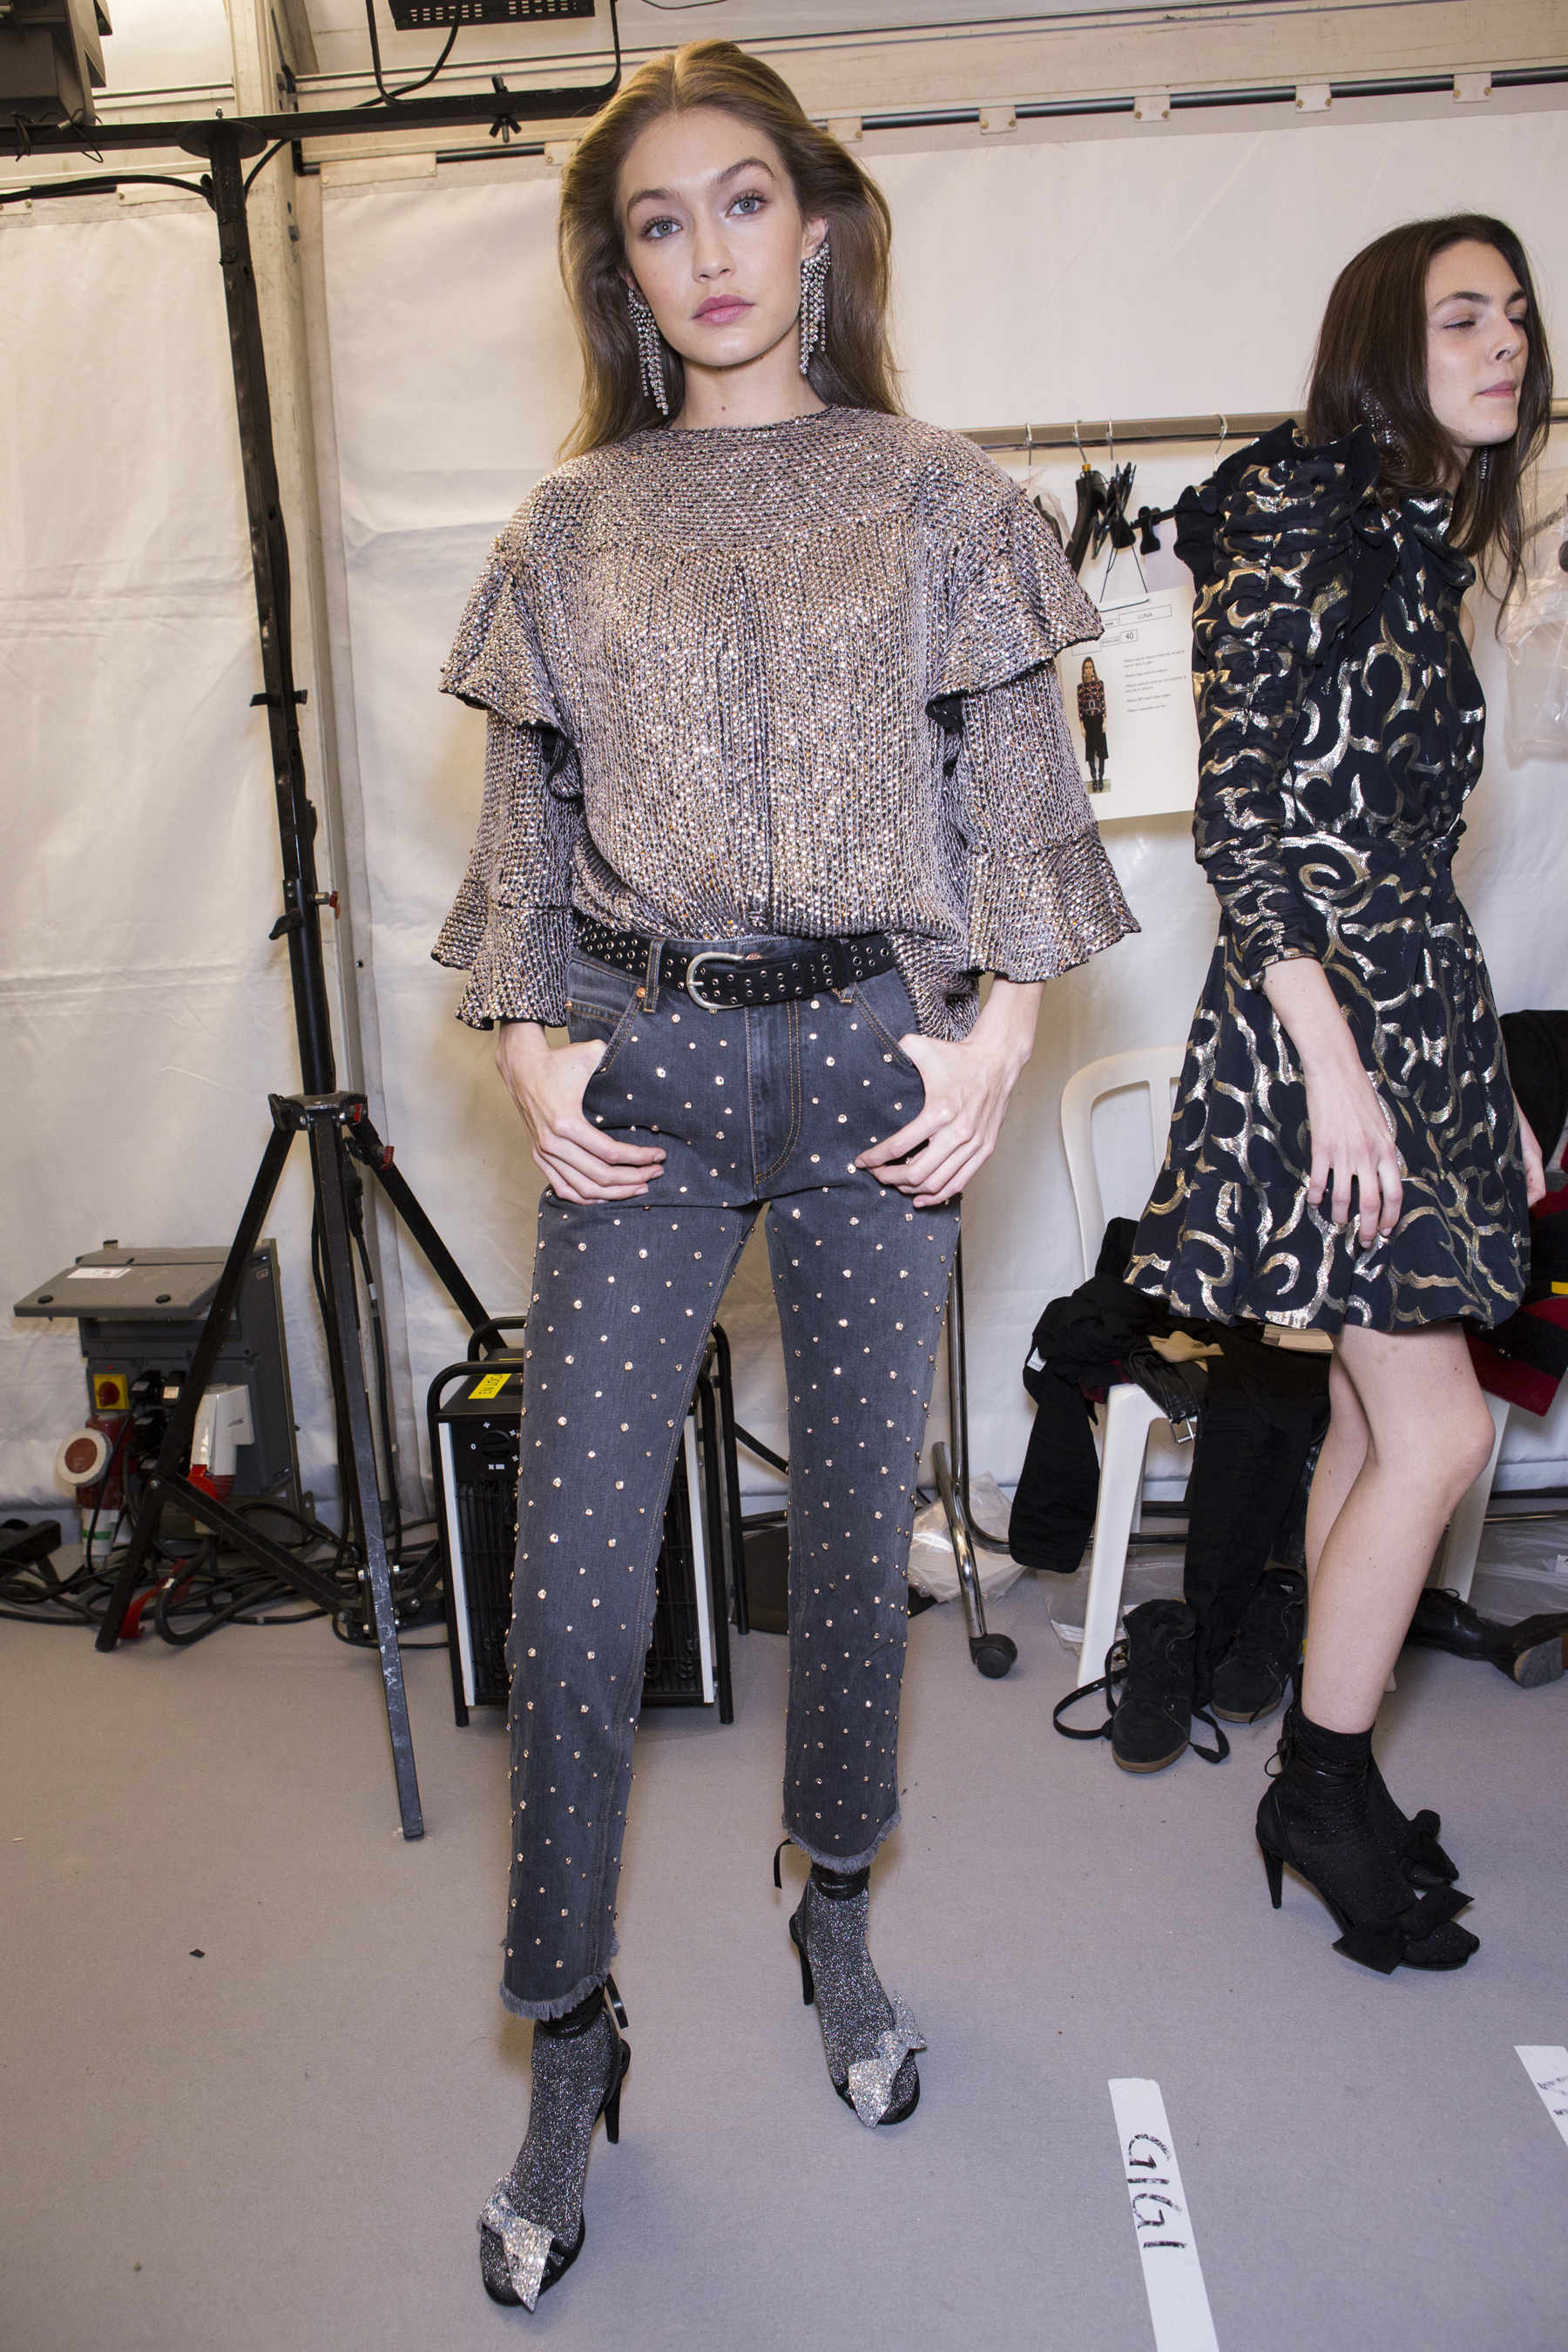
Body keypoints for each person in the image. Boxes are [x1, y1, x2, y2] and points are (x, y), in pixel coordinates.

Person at [433, 40, 1137, 2308]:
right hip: (642, 1068)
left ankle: (835, 1912)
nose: (709, 251)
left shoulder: (941, 501)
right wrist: (531, 1045)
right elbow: (523, 848)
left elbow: (1026, 812)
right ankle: (571, 2039)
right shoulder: (567, 529)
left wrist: (997, 1039)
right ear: (622, 269)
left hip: (868, 1066)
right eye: (659, 221)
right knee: (572, 1594)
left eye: (743, 201)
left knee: (848, 1550)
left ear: (814, 225)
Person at [1127, 214, 1552, 1973]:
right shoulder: (1299, 506)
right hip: (1327, 1033)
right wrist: (1342, 1079)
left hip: (1410, 1013)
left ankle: (1336, 1766)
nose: (1507, 342)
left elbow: (1404, 852)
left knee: (1382, 1429)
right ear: (1383, 341)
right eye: (1462, 316)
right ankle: (1318, 1782)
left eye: (1518, 315)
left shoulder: (1411, 538)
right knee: (1445, 1433)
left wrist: (1476, 1078)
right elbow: (1244, 825)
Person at [1077, 655, 1109, 788]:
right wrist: (1082, 726)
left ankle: (1101, 776)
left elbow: (1103, 702)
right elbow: (1080, 707)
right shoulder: (1081, 687)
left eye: (1090, 667)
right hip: (1088, 720)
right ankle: (1093, 777)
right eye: (1086, 668)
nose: (1088, 670)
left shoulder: (1099, 684)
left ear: (1093, 669)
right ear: (1083, 670)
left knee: (1101, 749)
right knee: (1090, 750)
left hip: (1098, 718)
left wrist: (1104, 720)